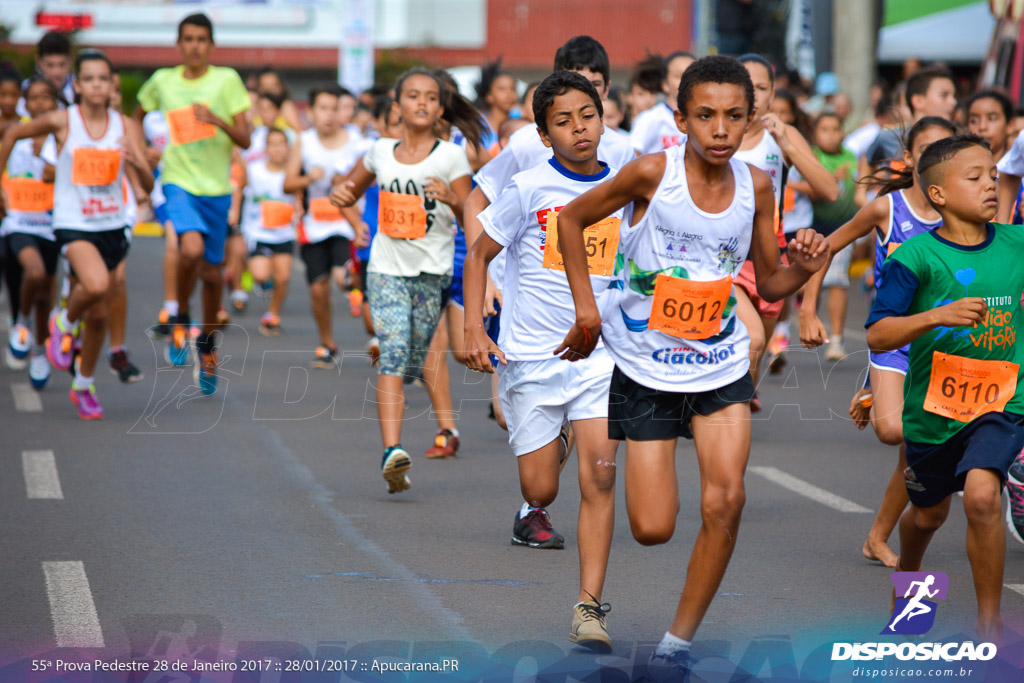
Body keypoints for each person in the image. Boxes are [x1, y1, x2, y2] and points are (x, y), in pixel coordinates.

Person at [553, 56, 828, 678]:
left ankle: (677, 642)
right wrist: (587, 308)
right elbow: (571, 220)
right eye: (705, 115)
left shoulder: (758, 185)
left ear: (751, 118)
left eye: (735, 115)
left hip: (720, 361)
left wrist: (808, 264)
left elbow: (772, 280)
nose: (721, 129)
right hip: (645, 367)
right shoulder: (653, 173)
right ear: (681, 119)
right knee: (652, 528)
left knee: (727, 499)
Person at [463, 70, 622, 651]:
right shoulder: (530, 187)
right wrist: (474, 327)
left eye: (588, 115)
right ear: (544, 133)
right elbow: (480, 254)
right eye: (563, 121)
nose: (579, 128)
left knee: (601, 478)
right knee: (542, 488)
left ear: (604, 119)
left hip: (602, 358)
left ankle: (589, 608)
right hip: (531, 357)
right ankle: (548, 455)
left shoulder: (626, 189)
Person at [865, 134, 1024, 642]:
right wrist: (936, 315)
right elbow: (878, 332)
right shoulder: (914, 256)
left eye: (993, 176)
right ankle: (909, 579)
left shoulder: (1017, 243)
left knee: (981, 495)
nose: (990, 186)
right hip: (934, 411)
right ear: (937, 194)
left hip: (1003, 400)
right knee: (928, 514)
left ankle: (988, 624)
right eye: (974, 177)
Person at [800, 117, 955, 567]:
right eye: (929, 149)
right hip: (893, 337)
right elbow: (826, 247)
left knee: (915, 446)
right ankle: (877, 391)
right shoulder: (888, 209)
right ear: (909, 159)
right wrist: (808, 310)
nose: (940, 157)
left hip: (945, 346)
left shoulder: (963, 214)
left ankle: (877, 537)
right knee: (895, 433)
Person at [329, 68, 480, 493]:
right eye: (412, 96)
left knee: (414, 356)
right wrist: (344, 201)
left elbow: (472, 211)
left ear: (439, 109)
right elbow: (348, 191)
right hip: (386, 267)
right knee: (394, 354)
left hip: (433, 269)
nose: (421, 103)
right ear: (397, 107)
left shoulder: (450, 156)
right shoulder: (379, 151)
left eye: (430, 98)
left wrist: (451, 197)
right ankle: (392, 451)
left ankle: (406, 430)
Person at [0, 52, 153, 419]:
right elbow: (13, 133)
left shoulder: (124, 126)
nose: (98, 85)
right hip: (73, 224)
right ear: (78, 85)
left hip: (112, 226)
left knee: (99, 315)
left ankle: (83, 384)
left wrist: (136, 161)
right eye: (90, 79)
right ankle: (64, 322)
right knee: (98, 285)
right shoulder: (62, 120)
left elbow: (147, 181)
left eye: (104, 79)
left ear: (112, 85)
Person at [135, 12, 251, 395]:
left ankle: (207, 343)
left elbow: (246, 138)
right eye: (188, 38)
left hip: (217, 188)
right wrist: (143, 152)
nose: (195, 45)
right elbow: (135, 118)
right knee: (190, 249)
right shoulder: (163, 82)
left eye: (202, 39)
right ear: (178, 44)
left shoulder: (226, 80)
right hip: (178, 182)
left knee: (214, 275)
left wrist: (217, 119)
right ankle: (181, 314)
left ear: (211, 45)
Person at [733, 54, 837, 403]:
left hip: (766, 251)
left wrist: (787, 142)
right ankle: (719, 407)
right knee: (753, 338)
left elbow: (829, 190)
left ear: (773, 93)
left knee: (755, 351)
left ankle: (737, 399)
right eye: (745, 86)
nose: (752, 94)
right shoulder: (718, 132)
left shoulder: (780, 136)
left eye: (761, 87)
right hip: (722, 249)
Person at [284, 84, 370, 367]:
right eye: (323, 108)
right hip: (314, 225)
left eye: (334, 108)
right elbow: (287, 183)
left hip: (347, 224)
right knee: (318, 290)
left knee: (340, 276)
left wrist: (347, 179)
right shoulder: (304, 141)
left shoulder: (356, 140)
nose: (329, 115)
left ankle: (371, 324)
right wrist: (309, 179)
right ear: (310, 112)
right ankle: (327, 342)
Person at [1, 76, 59, 389]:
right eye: (32, 98)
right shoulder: (16, 133)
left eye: (45, 98)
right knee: (33, 274)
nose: (39, 104)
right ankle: (20, 323)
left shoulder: (61, 135)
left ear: (55, 102)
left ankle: (39, 349)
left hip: (52, 224)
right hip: (19, 221)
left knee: (45, 292)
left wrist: (51, 161)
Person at [806, 112, 859, 361]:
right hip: (812, 228)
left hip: (843, 228)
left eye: (835, 129)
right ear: (815, 134)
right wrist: (828, 180)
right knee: (808, 283)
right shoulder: (812, 157)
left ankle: (836, 341)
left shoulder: (852, 157)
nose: (831, 134)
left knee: (838, 281)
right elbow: (808, 191)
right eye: (824, 129)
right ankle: (807, 323)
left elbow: (860, 189)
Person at [235, 128, 299, 336]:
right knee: (261, 275)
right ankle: (254, 273)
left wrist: (299, 209)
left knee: (283, 279)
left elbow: (299, 196)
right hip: (258, 232)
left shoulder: (293, 173)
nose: (278, 149)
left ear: (288, 148)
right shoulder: (254, 170)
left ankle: (272, 314)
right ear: (266, 148)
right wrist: (235, 211)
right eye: (273, 144)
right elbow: (238, 188)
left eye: (282, 144)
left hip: (284, 233)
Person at [628, 51, 695, 155]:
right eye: (678, 76)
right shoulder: (649, 119)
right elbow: (631, 160)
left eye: (691, 75)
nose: (686, 80)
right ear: (665, 84)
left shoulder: (708, 118)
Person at [17, 32, 75, 118]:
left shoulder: (81, 87)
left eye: (62, 64)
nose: (57, 72)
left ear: (70, 60)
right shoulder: (26, 87)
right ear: (39, 61)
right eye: (50, 65)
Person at [475, 60, 519, 153]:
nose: (509, 94)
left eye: (512, 88)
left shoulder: (520, 121)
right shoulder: (478, 124)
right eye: (502, 89)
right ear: (489, 96)